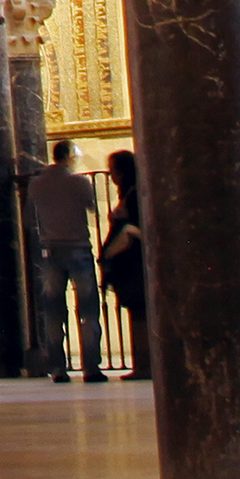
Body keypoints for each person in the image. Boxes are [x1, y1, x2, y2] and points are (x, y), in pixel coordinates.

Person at [19, 139, 106, 382]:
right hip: (78, 248)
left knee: (53, 311)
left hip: (50, 250)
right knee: (88, 310)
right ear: (69, 157)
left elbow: (29, 219)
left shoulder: (37, 184)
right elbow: (92, 207)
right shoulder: (79, 182)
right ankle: (91, 367)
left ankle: (57, 367)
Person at [102, 146, 149, 381]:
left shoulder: (133, 195)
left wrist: (110, 252)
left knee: (140, 313)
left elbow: (133, 229)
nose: (111, 176)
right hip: (131, 264)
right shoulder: (131, 193)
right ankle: (142, 364)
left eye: (113, 171)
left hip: (133, 264)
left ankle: (145, 365)